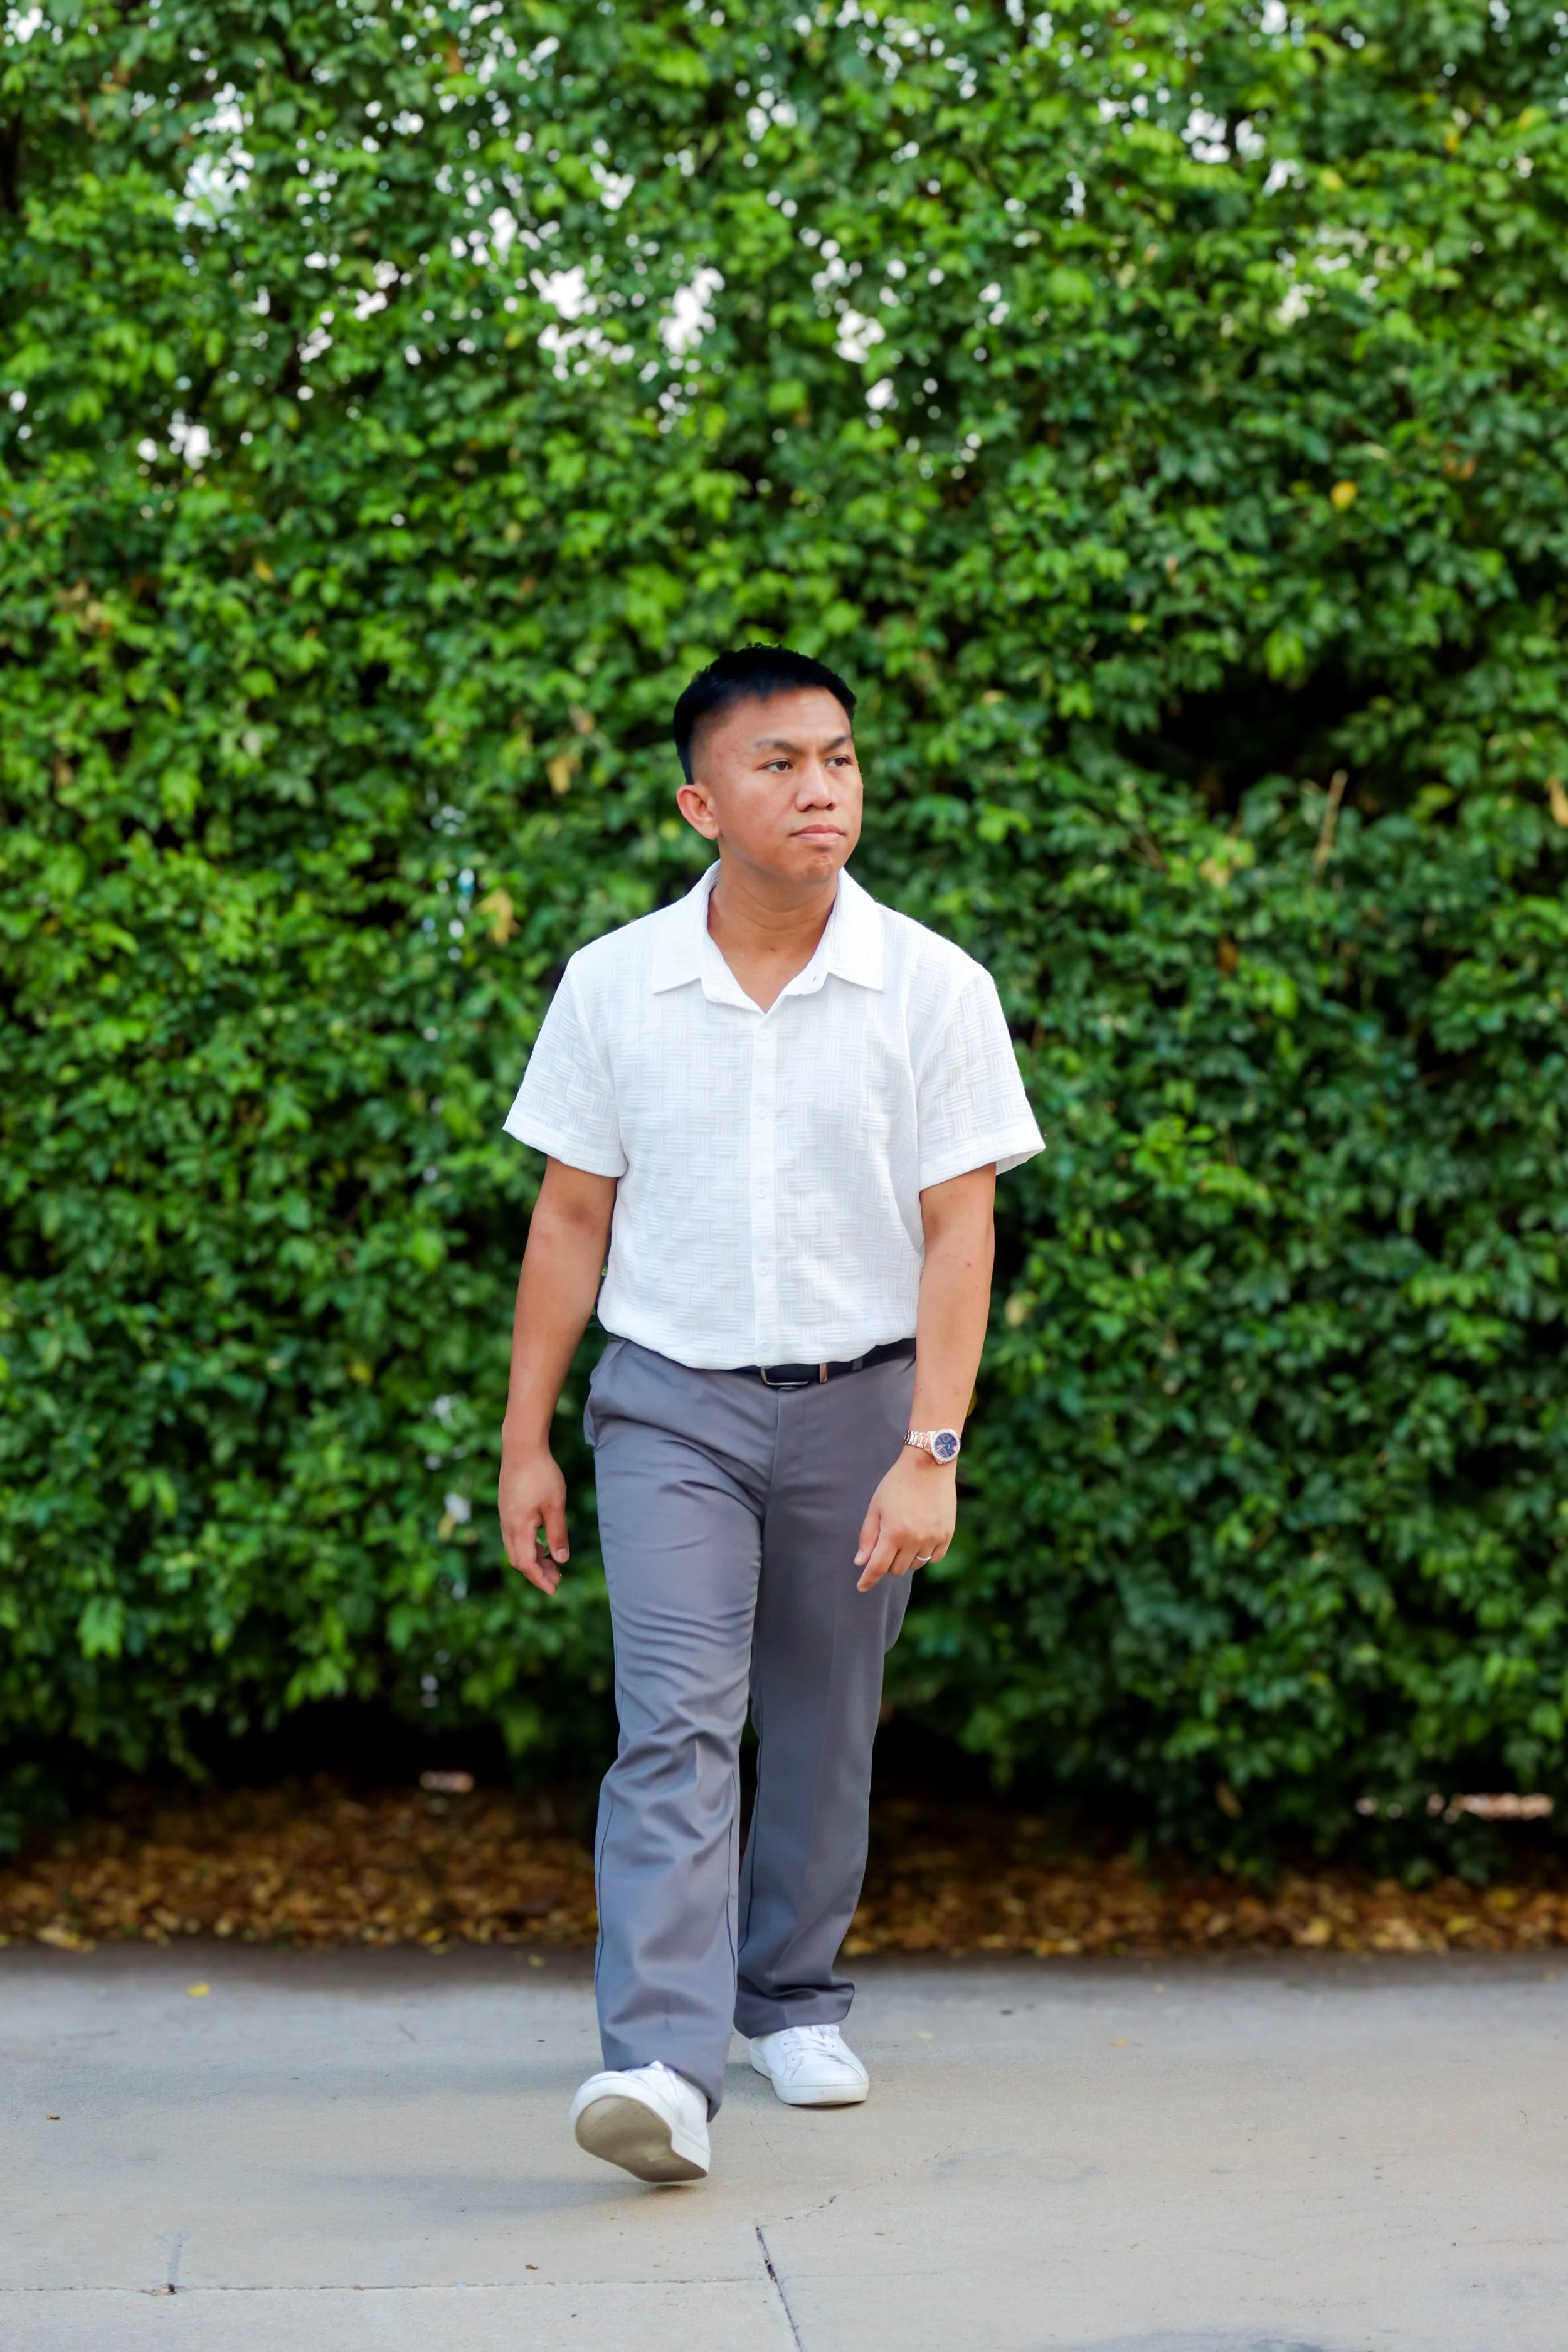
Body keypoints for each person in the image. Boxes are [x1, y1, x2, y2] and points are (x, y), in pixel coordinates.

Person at [497, 644, 1042, 2184]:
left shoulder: (932, 986)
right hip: (667, 1407)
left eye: (839, 759)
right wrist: (524, 1438)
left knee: (819, 1720)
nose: (821, 789)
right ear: (699, 804)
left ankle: (789, 1997)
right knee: (672, 1722)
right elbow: (568, 1220)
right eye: (779, 763)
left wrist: (930, 1449)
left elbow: (959, 1232)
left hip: (863, 1406)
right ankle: (659, 2068)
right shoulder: (613, 982)